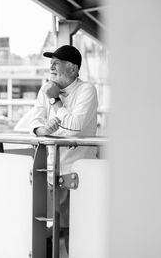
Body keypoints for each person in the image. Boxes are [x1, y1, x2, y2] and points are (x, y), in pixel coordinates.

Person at [29, 45, 98, 256]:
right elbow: (34, 119)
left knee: (74, 230)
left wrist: (55, 100)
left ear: (73, 69)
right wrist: (41, 129)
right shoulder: (46, 88)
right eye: (51, 62)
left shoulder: (86, 90)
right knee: (53, 228)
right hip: (51, 172)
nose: (51, 66)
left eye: (57, 62)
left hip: (77, 174)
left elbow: (75, 126)